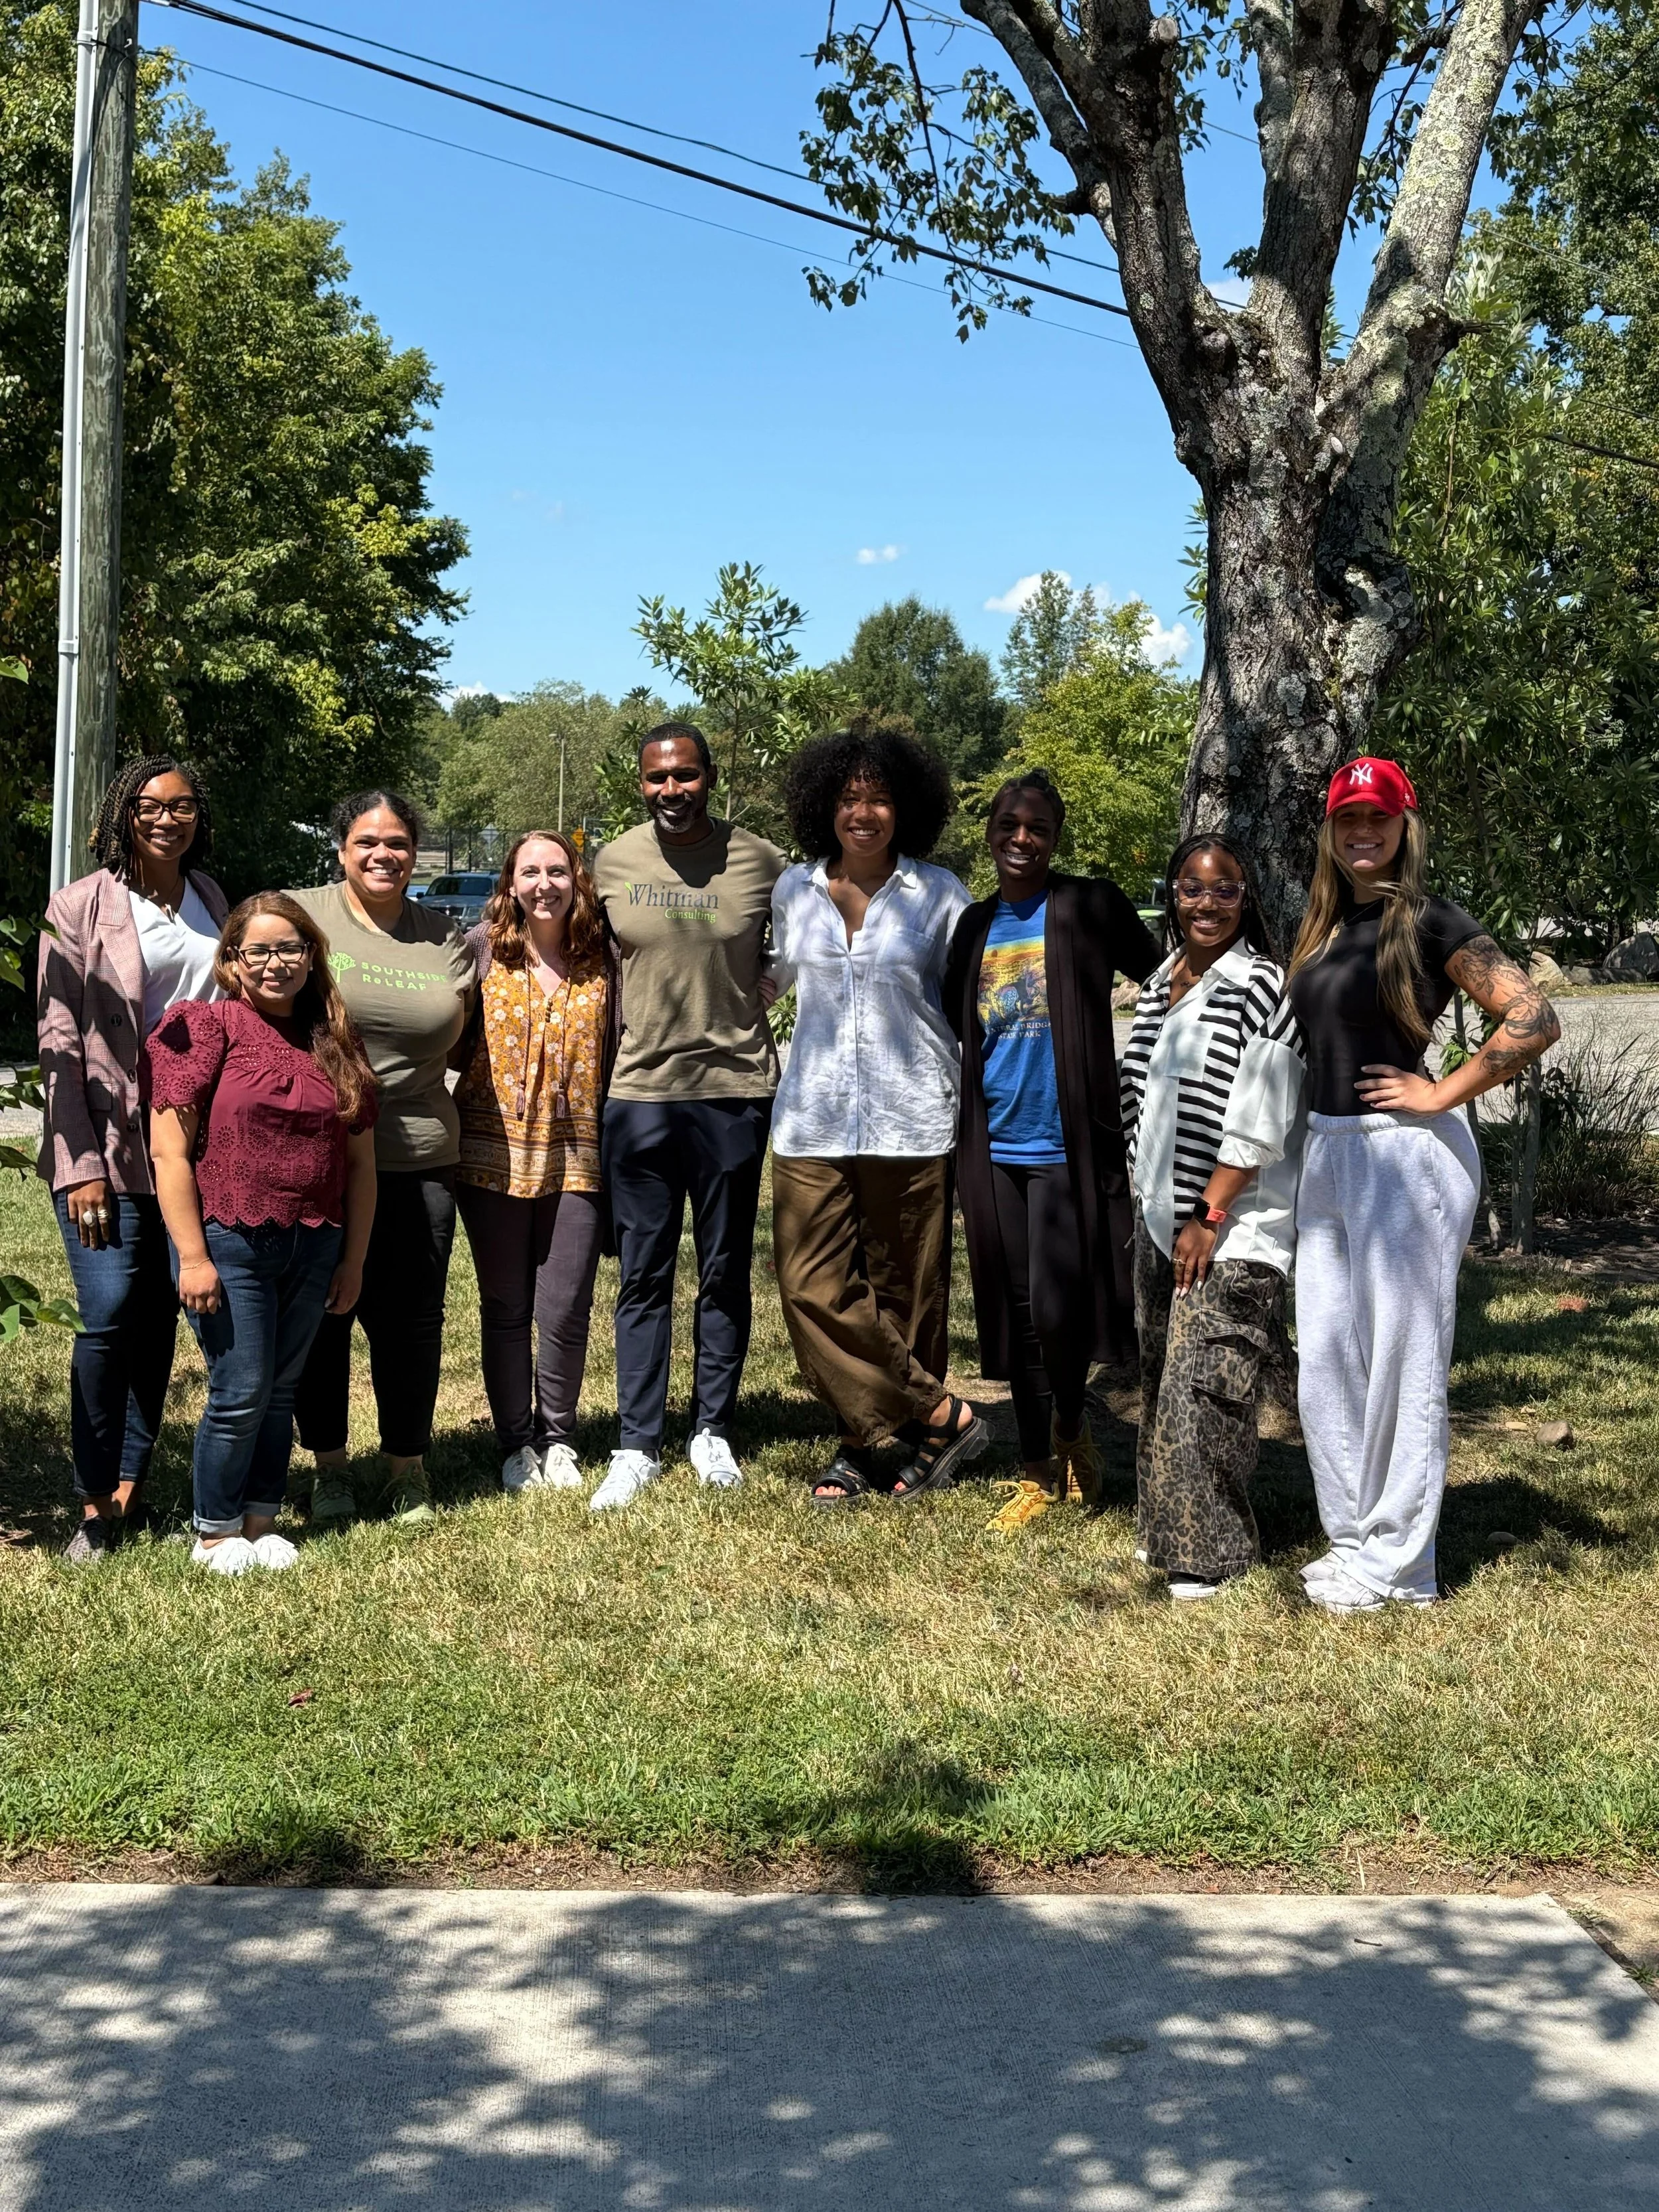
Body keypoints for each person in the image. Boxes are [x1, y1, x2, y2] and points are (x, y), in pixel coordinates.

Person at [1287, 756, 1559, 1612]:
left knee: (1402, 1363)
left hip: (1402, 1159)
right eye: (1347, 819)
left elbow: (1534, 1016)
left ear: (1405, 826)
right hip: (1329, 1153)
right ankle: (1355, 1540)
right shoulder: (1323, 930)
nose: (1362, 831)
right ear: (1329, 833)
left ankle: (1402, 1566)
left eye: (1379, 816)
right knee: (1328, 1363)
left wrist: (1440, 1092)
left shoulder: (1430, 921)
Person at [768, 725, 980, 1505]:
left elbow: (969, 1002)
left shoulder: (939, 894)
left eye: (880, 798)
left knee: (907, 1294)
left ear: (905, 809)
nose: (864, 813)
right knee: (809, 1283)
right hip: (811, 1118)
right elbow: (773, 982)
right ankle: (938, 1413)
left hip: (913, 1113)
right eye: (849, 798)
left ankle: (868, 1448)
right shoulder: (793, 890)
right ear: (824, 807)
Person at [943, 772, 1161, 1525]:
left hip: (1069, 1145)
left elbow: (1164, 982)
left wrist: (1141, 1086)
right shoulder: (973, 927)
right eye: (1008, 824)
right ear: (990, 831)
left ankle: (1073, 1424)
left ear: (1054, 837)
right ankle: (1036, 1467)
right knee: (1015, 1309)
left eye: (1037, 827)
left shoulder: (1088, 905)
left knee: (1057, 1305)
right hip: (992, 1145)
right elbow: (956, 1020)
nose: (1021, 838)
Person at [145, 895, 378, 1574]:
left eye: (291, 949)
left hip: (316, 1240)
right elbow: (168, 1152)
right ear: (232, 960)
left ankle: (261, 1516)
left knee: (281, 1386)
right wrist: (192, 1256)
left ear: (311, 957)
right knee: (241, 1386)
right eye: (260, 950)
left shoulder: (335, 1040)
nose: (276, 964)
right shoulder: (203, 1029)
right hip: (229, 1238)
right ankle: (214, 1531)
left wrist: (353, 1259)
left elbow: (362, 1164)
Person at [35, 756, 228, 1561]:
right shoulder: (80, 906)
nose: (165, 819)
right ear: (123, 813)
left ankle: (131, 1481)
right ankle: (90, 1495)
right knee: (109, 1314)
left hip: (190, 1144)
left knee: (159, 1322)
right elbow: (55, 1040)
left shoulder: (212, 898)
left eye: (181, 806)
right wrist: (77, 1162)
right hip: (108, 1145)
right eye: (150, 806)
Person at [589, 723, 786, 1509]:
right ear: (641, 784)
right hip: (638, 1094)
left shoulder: (763, 861)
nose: (671, 791)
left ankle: (712, 1432)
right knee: (643, 1276)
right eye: (656, 779)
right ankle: (636, 1443)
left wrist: (773, 985)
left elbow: (807, 938)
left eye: (685, 776)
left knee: (724, 1270)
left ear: (709, 778)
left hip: (734, 1090)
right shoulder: (613, 861)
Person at [1120, 834, 1305, 1600]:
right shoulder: (1162, 978)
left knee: (1207, 1385)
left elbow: (1261, 1118)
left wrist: (1210, 1211)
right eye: (1191, 889)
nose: (1205, 903)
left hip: (1231, 1225)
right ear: (1171, 894)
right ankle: (1164, 1531)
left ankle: (1212, 1554)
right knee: (1165, 1379)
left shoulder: (1262, 983)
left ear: (1245, 897)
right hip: (1162, 1219)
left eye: (1223, 889)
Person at [289, 792, 474, 1524]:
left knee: (411, 1320)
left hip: (419, 1155)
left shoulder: (447, 939)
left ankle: (407, 1468)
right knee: (322, 1317)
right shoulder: (302, 917)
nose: (383, 855)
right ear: (341, 849)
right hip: (315, 1159)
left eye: (397, 843)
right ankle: (329, 1468)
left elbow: (461, 1038)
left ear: (415, 852)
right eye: (367, 841)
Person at [454, 832, 618, 1493]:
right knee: (505, 1306)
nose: (545, 883)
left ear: (577, 881)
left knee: (566, 1304)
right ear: (511, 883)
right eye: (531, 871)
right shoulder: (480, 951)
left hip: (579, 1155)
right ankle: (515, 1442)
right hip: (490, 1155)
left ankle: (559, 1439)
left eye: (558, 871)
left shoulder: (603, 959)